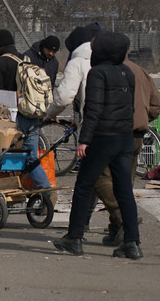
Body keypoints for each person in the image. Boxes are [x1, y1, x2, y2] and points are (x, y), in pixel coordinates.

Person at [54, 31, 142, 259]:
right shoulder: (127, 72)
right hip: (125, 137)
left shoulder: (98, 73)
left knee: (84, 185)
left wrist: (84, 140)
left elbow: (93, 109)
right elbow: (130, 108)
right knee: (124, 190)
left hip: (103, 137)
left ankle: (74, 238)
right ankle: (132, 242)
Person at [95, 58, 160, 246]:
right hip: (136, 134)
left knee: (99, 177)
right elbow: (156, 105)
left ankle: (124, 219)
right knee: (124, 182)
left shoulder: (105, 70)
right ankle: (117, 228)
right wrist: (141, 118)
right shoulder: (140, 70)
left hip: (112, 133)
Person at [0, 29, 51, 192]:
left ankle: (3, 188)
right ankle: (45, 190)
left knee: (0, 154)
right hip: (30, 113)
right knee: (30, 156)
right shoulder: (27, 61)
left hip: (8, 117)